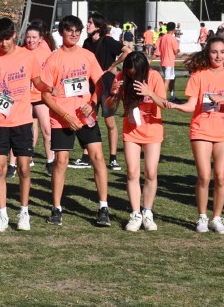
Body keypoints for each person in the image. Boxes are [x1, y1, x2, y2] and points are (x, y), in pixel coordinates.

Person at [0, 18, 56, 232]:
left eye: (6, 38)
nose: (3, 43)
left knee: (24, 168)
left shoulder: (28, 56)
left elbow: (37, 81)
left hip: (22, 121)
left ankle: (24, 211)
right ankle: (2, 214)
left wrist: (49, 88)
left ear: (14, 35)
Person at [41, 15, 110, 227]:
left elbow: (99, 84)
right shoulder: (53, 59)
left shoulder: (88, 56)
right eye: (69, 30)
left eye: (77, 31)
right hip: (62, 118)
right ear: (62, 32)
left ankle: (103, 207)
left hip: (85, 115)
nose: (74, 34)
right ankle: (56, 208)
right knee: (61, 162)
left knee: (98, 158)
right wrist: (65, 115)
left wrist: (94, 102)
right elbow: (45, 95)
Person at [166, 37, 224, 234]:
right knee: (204, 176)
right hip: (201, 129)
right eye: (214, 52)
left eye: (222, 52)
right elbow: (191, 106)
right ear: (208, 53)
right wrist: (175, 105)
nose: (218, 56)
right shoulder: (199, 76)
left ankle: (217, 217)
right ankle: (202, 217)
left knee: (221, 176)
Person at [105, 52, 166, 232]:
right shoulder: (121, 77)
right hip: (131, 130)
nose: (131, 76)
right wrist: (114, 93)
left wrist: (149, 92)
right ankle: (135, 213)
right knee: (132, 172)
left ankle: (147, 212)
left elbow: (164, 104)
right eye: (128, 73)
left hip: (153, 130)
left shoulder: (154, 77)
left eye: (134, 73)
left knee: (151, 172)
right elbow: (110, 107)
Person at [79, 12, 131, 172]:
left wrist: (112, 65)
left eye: (90, 22)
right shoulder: (86, 42)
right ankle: (85, 157)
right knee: (87, 120)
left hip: (107, 85)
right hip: (90, 86)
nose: (87, 25)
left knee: (109, 122)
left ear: (98, 26)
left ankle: (113, 158)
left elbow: (127, 51)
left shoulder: (107, 41)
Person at [23, 23, 55, 175]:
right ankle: (28, 156)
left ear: (40, 39)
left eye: (34, 37)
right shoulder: (20, 52)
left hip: (41, 96)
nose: (30, 40)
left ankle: (50, 161)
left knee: (47, 129)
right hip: (25, 97)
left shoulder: (46, 52)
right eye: (28, 37)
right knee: (28, 130)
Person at [156, 22, 180, 102]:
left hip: (163, 61)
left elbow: (158, 48)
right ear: (174, 29)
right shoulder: (173, 38)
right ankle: (162, 98)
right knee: (167, 80)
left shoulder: (162, 37)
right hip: (169, 62)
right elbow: (176, 51)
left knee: (172, 78)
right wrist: (178, 50)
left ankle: (172, 96)